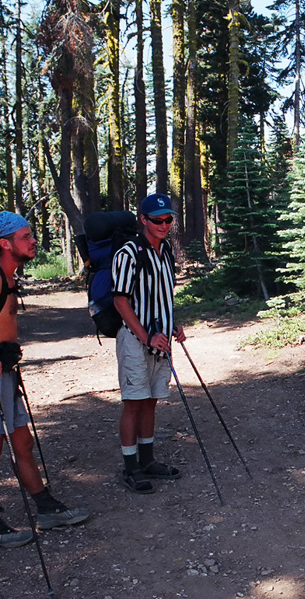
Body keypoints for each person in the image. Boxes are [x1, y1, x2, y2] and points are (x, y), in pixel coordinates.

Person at [0, 211, 89, 548]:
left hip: (2, 371)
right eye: (26, 236)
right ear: (5, 243)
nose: (33, 241)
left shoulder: (7, 274)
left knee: (22, 443)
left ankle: (46, 509)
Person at [111, 193, 186, 494]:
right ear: (143, 220)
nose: (164, 225)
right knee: (134, 402)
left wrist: (172, 324)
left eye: (168, 219)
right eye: (157, 220)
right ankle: (130, 468)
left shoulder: (166, 249)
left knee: (152, 399)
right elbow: (120, 300)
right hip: (135, 341)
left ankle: (148, 460)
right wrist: (145, 336)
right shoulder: (128, 253)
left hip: (161, 340)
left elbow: (162, 294)